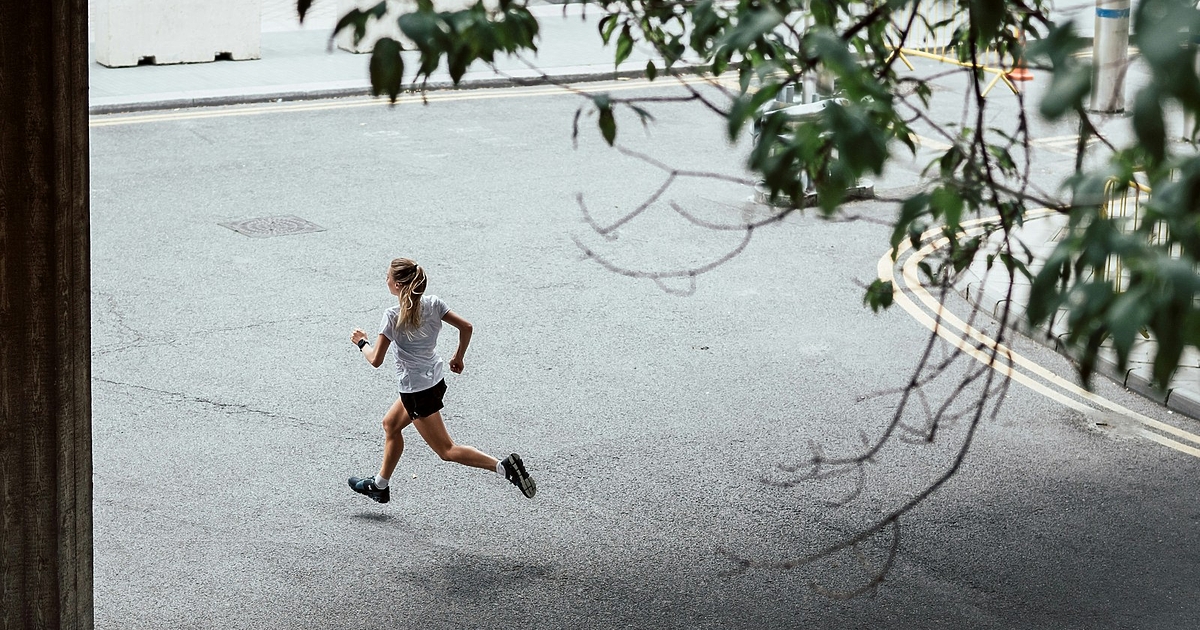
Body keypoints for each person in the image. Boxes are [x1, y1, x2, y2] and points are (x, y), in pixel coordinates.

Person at [347, 258, 536, 504]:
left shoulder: (392, 317)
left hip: (416, 392)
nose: (386, 280)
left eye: (388, 277)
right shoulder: (434, 304)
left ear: (398, 285)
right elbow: (466, 327)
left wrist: (362, 342)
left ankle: (503, 467)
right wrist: (458, 356)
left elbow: (375, 360)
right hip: (434, 381)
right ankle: (380, 485)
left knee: (446, 450)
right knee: (391, 425)